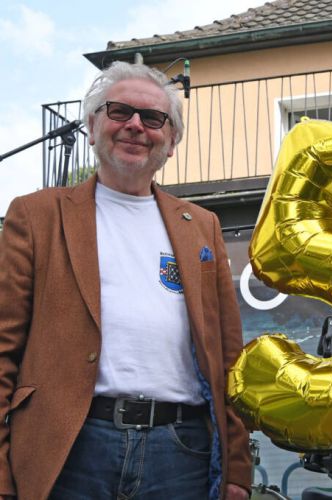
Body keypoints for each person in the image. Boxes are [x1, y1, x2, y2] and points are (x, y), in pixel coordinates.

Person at [0, 62, 252, 499]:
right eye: (119, 112)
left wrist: (236, 470)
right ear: (94, 125)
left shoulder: (202, 225)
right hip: (70, 448)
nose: (136, 125)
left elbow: (228, 358)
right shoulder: (36, 215)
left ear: (171, 142)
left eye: (153, 118)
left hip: (181, 453)